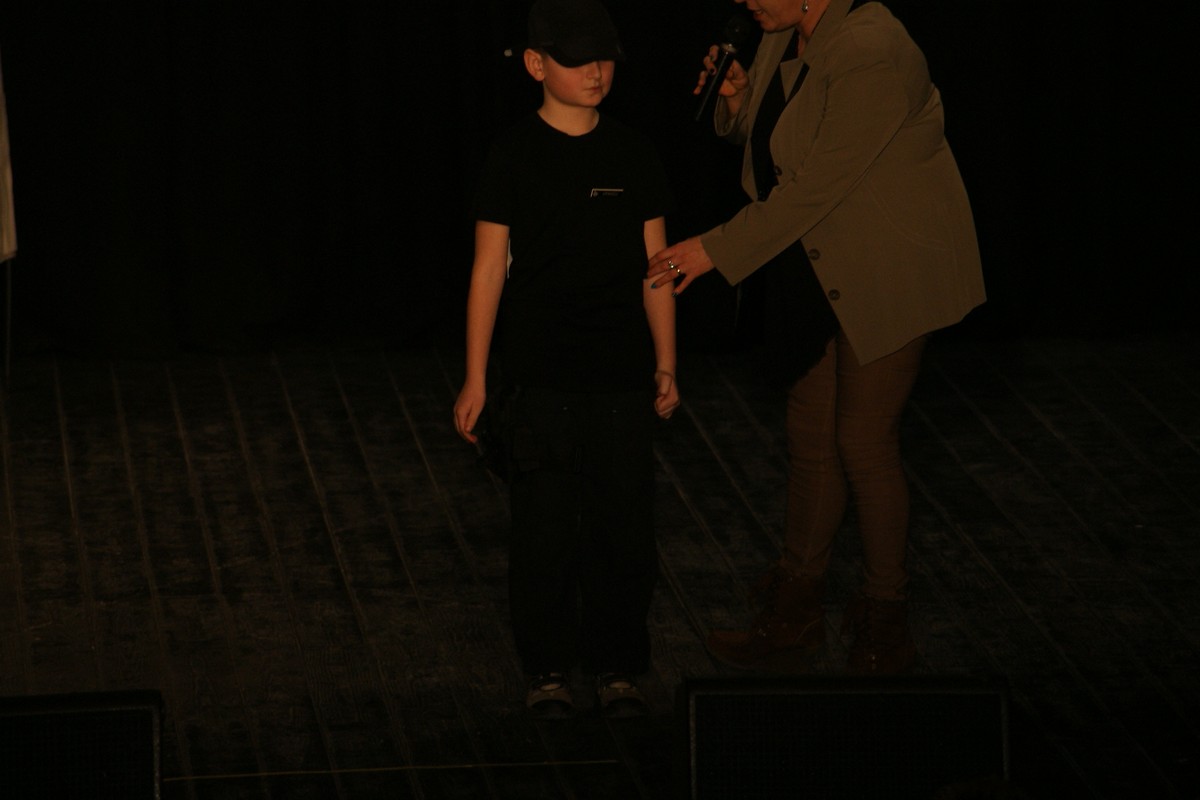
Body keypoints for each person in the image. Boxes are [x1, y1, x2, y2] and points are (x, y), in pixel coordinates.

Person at [648, 0, 985, 675]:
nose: (746, 0)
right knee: (811, 439)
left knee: (863, 442)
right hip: (815, 265)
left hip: (886, 269)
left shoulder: (874, 51)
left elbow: (817, 186)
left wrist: (713, 250)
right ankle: (796, 611)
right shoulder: (787, 32)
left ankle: (885, 618)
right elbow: (777, 146)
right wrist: (737, 100)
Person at [453, 0, 680, 718]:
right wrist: (476, 377)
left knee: (624, 529)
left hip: (619, 374)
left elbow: (656, 268)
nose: (595, 73)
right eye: (577, 59)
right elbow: (489, 269)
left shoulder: (633, 153)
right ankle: (546, 669)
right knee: (544, 530)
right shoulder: (513, 155)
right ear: (535, 64)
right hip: (540, 375)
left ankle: (618, 666)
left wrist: (666, 362)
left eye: (604, 58)